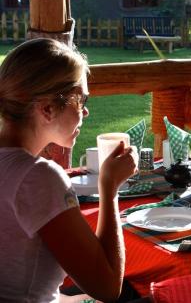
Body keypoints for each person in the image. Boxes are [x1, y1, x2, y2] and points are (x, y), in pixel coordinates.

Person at [0, 38, 137, 302]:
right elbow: (107, 288)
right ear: (48, 108)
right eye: (80, 99)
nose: (85, 112)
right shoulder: (37, 178)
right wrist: (109, 190)